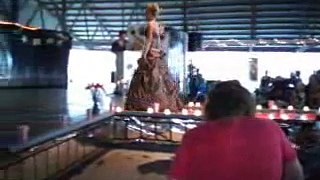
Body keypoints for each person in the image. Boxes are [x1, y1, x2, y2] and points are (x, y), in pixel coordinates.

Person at [170, 80, 304, 180]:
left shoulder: (194, 136)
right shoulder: (271, 128)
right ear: (248, 104)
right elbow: (295, 174)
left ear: (210, 107)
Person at [125, 3, 183, 112]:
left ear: (151, 13)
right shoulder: (157, 25)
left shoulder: (151, 25)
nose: (145, 15)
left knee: (145, 79)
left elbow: (148, 42)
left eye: (146, 13)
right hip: (158, 54)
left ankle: (146, 104)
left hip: (151, 54)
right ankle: (163, 103)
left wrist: (143, 55)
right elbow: (159, 42)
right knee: (160, 78)